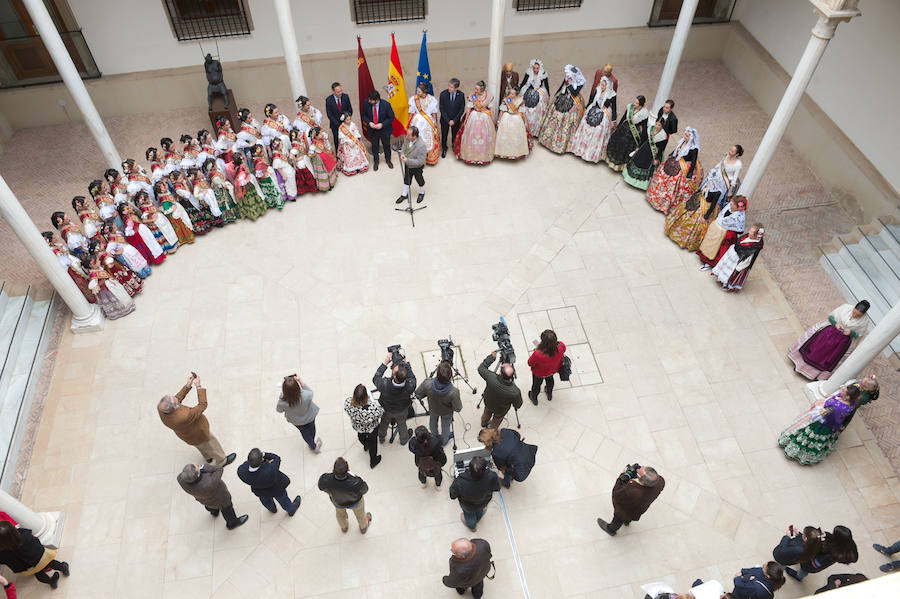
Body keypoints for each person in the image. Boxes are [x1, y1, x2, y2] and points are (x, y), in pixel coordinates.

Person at [665, 144, 743, 251]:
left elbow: (734, 177)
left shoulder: (738, 164)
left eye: (733, 151)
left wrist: (730, 190)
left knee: (716, 203)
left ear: (737, 154)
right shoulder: (726, 157)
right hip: (715, 178)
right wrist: (713, 172)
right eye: (730, 149)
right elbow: (720, 165)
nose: (730, 152)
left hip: (724, 183)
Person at [157, 373, 237, 467]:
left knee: (200, 446)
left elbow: (176, 399)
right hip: (199, 432)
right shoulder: (184, 416)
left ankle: (207, 457)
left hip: (188, 436)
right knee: (212, 444)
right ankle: (222, 460)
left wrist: (188, 385)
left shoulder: (162, 409)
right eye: (174, 400)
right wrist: (198, 386)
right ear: (174, 407)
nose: (176, 398)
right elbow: (202, 405)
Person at [778, 385, 861, 465]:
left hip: (823, 423)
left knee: (809, 436)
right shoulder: (851, 403)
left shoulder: (837, 408)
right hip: (828, 417)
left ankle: (798, 453)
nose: (841, 389)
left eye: (844, 390)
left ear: (847, 397)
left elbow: (831, 419)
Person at [788, 301, 870, 380]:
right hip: (829, 333)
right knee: (814, 350)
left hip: (841, 343)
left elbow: (859, 334)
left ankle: (816, 375)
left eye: (858, 315)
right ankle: (800, 366)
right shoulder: (845, 308)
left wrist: (851, 333)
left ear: (863, 314)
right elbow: (831, 316)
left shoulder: (864, 321)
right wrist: (835, 323)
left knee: (827, 359)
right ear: (854, 307)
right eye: (854, 313)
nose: (854, 315)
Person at [646, 127, 702, 214]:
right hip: (675, 160)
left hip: (684, 167)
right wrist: (671, 155)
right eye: (685, 135)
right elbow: (677, 150)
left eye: (687, 136)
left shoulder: (694, 149)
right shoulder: (683, 141)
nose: (685, 137)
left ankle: (668, 206)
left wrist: (689, 175)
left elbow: (693, 162)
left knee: (674, 184)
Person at [596, 465, 665, 536]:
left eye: (639, 472)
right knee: (630, 516)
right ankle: (627, 522)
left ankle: (611, 529)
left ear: (642, 481)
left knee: (618, 519)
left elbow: (616, 493)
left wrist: (623, 475)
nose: (638, 469)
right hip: (639, 509)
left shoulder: (632, 491)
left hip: (624, 511)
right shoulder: (661, 481)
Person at [177, 463, 248, 530]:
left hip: (203, 500)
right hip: (220, 499)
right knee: (227, 509)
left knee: (209, 505)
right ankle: (232, 523)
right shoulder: (209, 483)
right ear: (198, 474)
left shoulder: (180, 479)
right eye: (197, 466)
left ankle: (214, 512)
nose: (198, 465)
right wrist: (204, 467)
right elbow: (219, 469)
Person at [0, 521, 69, 589]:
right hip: (41, 558)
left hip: (27, 569)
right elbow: (37, 542)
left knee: (39, 574)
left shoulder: (2, 554)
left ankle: (51, 582)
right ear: (14, 530)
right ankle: (64, 568)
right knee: (52, 563)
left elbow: (3, 562)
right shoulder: (25, 535)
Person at [236, 448, 302, 516]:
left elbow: (245, 465)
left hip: (260, 492)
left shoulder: (241, 471)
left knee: (266, 501)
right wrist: (264, 455)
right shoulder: (270, 470)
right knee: (283, 500)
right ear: (262, 459)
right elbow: (276, 458)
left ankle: (272, 509)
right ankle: (291, 510)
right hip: (277, 490)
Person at [538, 64, 586, 154]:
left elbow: (575, 93)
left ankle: (563, 144)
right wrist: (556, 94)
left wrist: (570, 83)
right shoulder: (567, 77)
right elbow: (562, 85)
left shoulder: (580, 81)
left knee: (567, 119)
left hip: (572, 101)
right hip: (563, 96)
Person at [569, 75, 617, 163]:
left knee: (598, 130)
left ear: (608, 86)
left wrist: (613, 120)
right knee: (584, 125)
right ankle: (580, 150)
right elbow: (591, 100)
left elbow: (614, 108)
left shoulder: (612, 95)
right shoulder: (597, 90)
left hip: (604, 113)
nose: (601, 87)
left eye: (603, 85)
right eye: (601, 85)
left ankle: (591, 154)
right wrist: (586, 108)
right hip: (593, 109)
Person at [318, 457, 372, 534]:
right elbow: (365, 490)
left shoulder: (325, 480)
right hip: (355, 502)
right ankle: (363, 528)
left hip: (338, 502)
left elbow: (321, 487)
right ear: (348, 470)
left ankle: (344, 527)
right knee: (360, 515)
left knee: (340, 515)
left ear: (333, 470)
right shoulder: (356, 482)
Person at [373, 352, 417, 445]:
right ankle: (404, 440)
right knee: (402, 424)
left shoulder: (384, 384)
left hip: (386, 409)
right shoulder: (411, 385)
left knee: (384, 423)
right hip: (401, 410)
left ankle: (381, 437)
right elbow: (411, 376)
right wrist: (406, 364)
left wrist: (385, 363)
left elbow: (376, 377)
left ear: (394, 375)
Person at [785, 525, 858, 581]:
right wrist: (826, 535)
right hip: (818, 560)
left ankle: (799, 576)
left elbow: (814, 564)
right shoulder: (847, 544)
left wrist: (806, 557)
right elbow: (832, 538)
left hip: (811, 565)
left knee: (804, 570)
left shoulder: (829, 554)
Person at [415, 361, 462, 445]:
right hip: (446, 413)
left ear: (437, 374)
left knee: (432, 422)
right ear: (450, 376)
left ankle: (433, 437)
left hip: (433, 409)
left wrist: (428, 393)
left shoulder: (427, 383)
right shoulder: (454, 392)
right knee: (446, 427)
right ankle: (444, 442)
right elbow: (458, 408)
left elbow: (418, 394)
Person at [450, 456, 501, 532]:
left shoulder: (460, 481)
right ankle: (480, 515)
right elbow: (497, 488)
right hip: (484, 501)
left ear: (469, 469)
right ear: (485, 468)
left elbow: (452, 496)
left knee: (469, 515)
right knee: (480, 510)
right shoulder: (492, 476)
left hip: (468, 506)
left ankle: (472, 526)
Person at [697, 196, 747, 270]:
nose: (731, 204)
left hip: (726, 235)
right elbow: (721, 217)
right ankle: (705, 257)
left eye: (733, 204)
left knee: (718, 250)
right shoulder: (729, 207)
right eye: (732, 202)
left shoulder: (738, 217)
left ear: (737, 207)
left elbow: (738, 230)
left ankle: (710, 263)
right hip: (717, 229)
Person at [711, 224, 764, 292]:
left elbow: (748, 258)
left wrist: (739, 267)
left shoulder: (755, 246)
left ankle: (726, 284)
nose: (749, 232)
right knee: (725, 267)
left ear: (756, 235)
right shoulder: (748, 236)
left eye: (751, 232)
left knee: (730, 272)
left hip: (738, 261)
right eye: (750, 230)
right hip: (733, 254)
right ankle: (721, 278)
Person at [477, 351, 523, 429]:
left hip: (489, 403)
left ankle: (483, 423)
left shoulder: (491, 377)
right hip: (501, 410)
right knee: (497, 420)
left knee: (486, 413)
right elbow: (518, 405)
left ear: (500, 373)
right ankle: (492, 431)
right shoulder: (515, 391)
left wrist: (491, 358)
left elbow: (481, 368)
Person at [82, 254, 136, 319]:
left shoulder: (97, 269)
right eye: (98, 261)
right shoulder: (93, 274)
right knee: (115, 298)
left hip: (110, 284)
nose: (99, 261)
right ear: (93, 265)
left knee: (119, 294)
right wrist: (100, 283)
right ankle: (121, 311)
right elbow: (91, 286)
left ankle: (126, 308)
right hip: (107, 289)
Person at [604, 95, 650, 171]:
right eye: (634, 102)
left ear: (641, 105)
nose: (634, 104)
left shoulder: (644, 114)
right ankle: (612, 163)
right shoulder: (630, 107)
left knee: (625, 149)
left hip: (633, 134)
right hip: (623, 129)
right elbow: (624, 117)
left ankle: (620, 167)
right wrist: (617, 128)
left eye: (636, 103)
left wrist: (641, 142)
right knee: (618, 144)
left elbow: (644, 128)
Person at [277, 374, 322, 452]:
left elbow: (279, 410)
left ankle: (312, 445)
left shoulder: (282, 401)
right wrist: (299, 380)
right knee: (312, 429)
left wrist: (283, 394)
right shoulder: (307, 395)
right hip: (309, 417)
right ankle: (313, 441)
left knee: (304, 433)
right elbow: (309, 391)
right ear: (297, 387)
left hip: (297, 421)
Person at [455, 81, 496, 165]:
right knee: (471, 136)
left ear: (482, 89)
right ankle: (471, 156)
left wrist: (492, 119)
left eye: (477, 89)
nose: (475, 90)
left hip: (485, 117)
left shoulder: (489, 96)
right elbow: (469, 108)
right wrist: (466, 120)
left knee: (484, 137)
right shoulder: (472, 96)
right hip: (473, 117)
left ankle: (483, 156)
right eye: (475, 88)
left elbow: (491, 109)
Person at [345, 384, 384, 468]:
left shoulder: (348, 403)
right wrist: (373, 403)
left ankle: (366, 445)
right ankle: (373, 461)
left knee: (361, 436)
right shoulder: (372, 409)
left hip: (358, 427)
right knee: (373, 443)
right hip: (371, 428)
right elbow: (380, 412)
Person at [622, 118, 668, 191]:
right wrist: (639, 146)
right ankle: (631, 180)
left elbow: (661, 148)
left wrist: (656, 158)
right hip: (645, 147)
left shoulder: (663, 136)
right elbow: (644, 138)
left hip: (653, 152)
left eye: (659, 125)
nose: (656, 126)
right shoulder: (650, 129)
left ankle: (641, 184)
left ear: (662, 126)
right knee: (638, 161)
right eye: (656, 124)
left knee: (646, 166)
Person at [527, 329, 566, 404]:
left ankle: (534, 398)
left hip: (539, 373)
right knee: (550, 381)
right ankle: (549, 394)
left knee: (536, 385)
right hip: (553, 370)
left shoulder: (538, 354)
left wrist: (537, 350)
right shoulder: (561, 346)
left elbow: (530, 363)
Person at [494, 86, 532, 160]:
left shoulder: (520, 101)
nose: (510, 95)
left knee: (516, 136)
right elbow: (502, 111)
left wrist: (526, 122)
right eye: (510, 93)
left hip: (516, 118)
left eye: (512, 94)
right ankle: (503, 152)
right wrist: (498, 120)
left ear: (516, 94)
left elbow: (523, 113)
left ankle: (515, 153)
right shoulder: (506, 100)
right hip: (506, 117)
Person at [361, 90, 395, 170]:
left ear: (377, 100)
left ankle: (388, 160)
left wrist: (382, 124)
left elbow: (391, 117)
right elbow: (364, 115)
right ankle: (376, 162)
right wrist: (369, 122)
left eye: (371, 100)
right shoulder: (366, 103)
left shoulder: (386, 105)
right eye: (369, 99)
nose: (369, 101)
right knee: (375, 146)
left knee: (386, 145)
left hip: (384, 129)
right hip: (373, 130)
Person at [408, 82, 441, 165]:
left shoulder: (431, 99)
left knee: (428, 140)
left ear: (424, 92)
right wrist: (409, 123)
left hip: (428, 122)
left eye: (419, 91)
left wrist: (435, 122)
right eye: (417, 91)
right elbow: (411, 113)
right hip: (417, 121)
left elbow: (433, 112)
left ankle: (429, 158)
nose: (417, 93)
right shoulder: (414, 99)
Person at [519, 59, 551, 137]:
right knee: (524, 105)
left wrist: (548, 94)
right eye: (534, 68)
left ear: (540, 68)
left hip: (539, 91)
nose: (535, 70)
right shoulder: (529, 73)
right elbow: (524, 82)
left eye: (537, 68)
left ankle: (536, 129)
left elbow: (546, 85)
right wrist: (519, 89)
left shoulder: (543, 74)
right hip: (528, 89)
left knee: (539, 106)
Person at [396, 125, 427, 205]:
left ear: (414, 136)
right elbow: (403, 147)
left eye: (409, 135)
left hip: (416, 167)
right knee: (407, 178)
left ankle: (422, 192)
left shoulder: (421, 146)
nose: (407, 136)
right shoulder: (408, 138)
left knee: (419, 179)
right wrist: (402, 154)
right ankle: (404, 194)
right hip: (407, 164)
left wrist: (408, 160)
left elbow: (420, 162)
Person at [439, 78, 466, 158]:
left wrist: (454, 120)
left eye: (451, 87)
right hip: (444, 119)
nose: (449, 88)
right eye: (449, 86)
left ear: (456, 88)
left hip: (456, 120)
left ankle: (454, 147)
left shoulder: (461, 95)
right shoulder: (443, 94)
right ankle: (444, 148)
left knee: (455, 134)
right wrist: (448, 120)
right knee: (444, 134)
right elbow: (441, 108)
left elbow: (462, 109)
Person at [307, 127, 338, 192]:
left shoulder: (321, 139)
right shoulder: (314, 144)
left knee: (330, 167)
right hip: (320, 159)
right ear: (316, 136)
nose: (322, 134)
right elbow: (310, 154)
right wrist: (315, 154)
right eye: (320, 134)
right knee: (324, 172)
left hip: (325, 155)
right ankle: (327, 185)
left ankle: (331, 182)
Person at [325, 82, 352, 150]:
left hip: (346, 123)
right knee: (337, 140)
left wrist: (346, 118)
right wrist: (338, 124)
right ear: (333, 91)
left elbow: (350, 109)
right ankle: (338, 156)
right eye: (338, 92)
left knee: (348, 139)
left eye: (341, 91)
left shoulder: (346, 96)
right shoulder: (329, 100)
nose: (340, 93)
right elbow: (329, 114)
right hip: (335, 125)